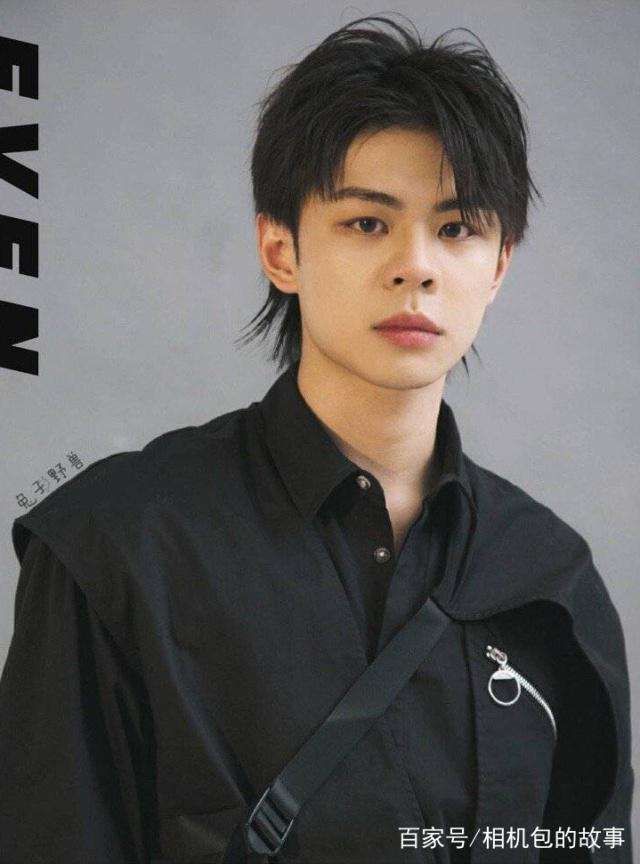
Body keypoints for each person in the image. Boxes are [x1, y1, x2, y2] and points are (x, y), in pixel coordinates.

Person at [0, 14, 633, 864]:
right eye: (367, 223)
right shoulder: (118, 545)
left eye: (457, 229)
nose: (416, 265)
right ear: (280, 249)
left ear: (499, 265)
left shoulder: (549, 579)